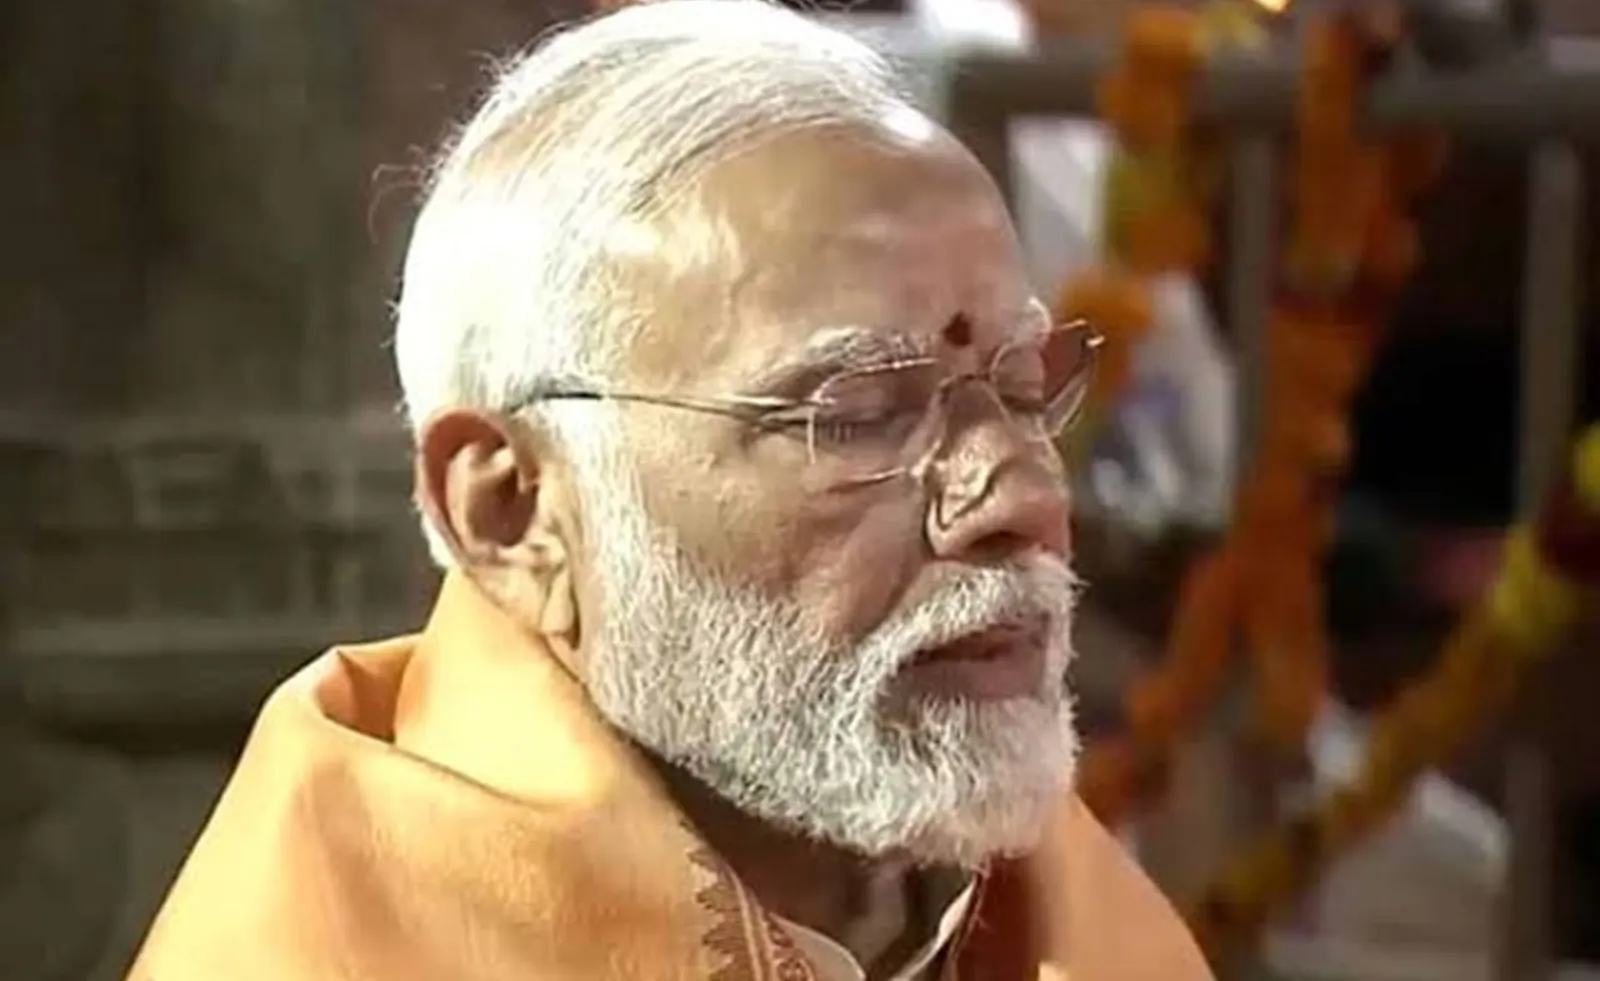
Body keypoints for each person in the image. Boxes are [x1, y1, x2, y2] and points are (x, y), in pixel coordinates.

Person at [129, 2, 1210, 978]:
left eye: (1022, 387)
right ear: (512, 513)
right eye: (856, 411)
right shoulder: (332, 950)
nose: (1021, 496)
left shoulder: (1053, 907)